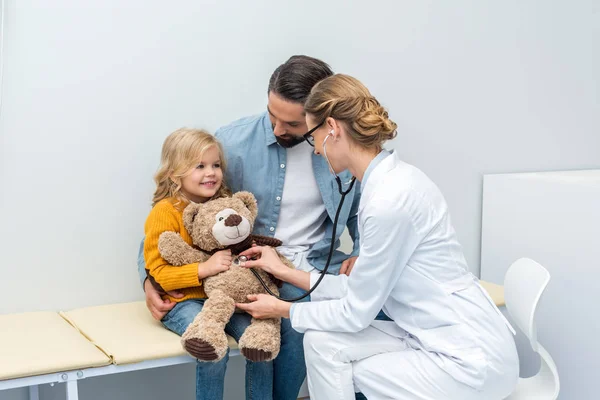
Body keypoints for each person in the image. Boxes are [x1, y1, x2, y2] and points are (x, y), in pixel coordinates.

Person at [236, 74, 520, 399]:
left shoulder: (389, 202)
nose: (314, 149)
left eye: (312, 136)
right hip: (428, 332)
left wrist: (281, 308)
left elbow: (355, 312)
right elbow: (361, 289)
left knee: (343, 371)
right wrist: (285, 272)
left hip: (469, 360)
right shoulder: (392, 182)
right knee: (320, 341)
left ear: (332, 129)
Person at [138, 56, 366, 399]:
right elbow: (178, 212)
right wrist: (148, 276)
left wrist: (362, 251)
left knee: (385, 311)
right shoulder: (232, 142)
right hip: (253, 267)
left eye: (291, 123)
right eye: (271, 115)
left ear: (322, 116)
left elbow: (364, 213)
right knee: (294, 326)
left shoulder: (346, 149)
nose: (276, 129)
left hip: (319, 264)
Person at [141, 128, 288, 400]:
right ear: (174, 174)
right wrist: (204, 269)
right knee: (211, 348)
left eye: (216, 165)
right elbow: (158, 274)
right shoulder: (164, 212)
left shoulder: (225, 207)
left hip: (225, 298)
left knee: (261, 346)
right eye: (199, 166)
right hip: (184, 301)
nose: (211, 173)